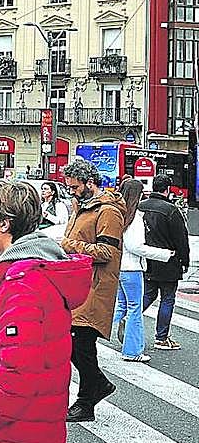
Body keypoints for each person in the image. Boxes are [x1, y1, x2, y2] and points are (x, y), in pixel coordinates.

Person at [0, 180, 92, 443]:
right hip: (26, 430)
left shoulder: (23, 283)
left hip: (11, 435)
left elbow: (19, 375)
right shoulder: (33, 270)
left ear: (5, 223)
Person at [60, 158, 125, 422]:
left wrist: (69, 245)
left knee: (80, 344)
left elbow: (107, 252)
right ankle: (89, 399)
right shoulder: (82, 206)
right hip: (79, 284)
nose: (71, 191)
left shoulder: (108, 211)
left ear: (90, 183)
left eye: (75, 187)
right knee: (80, 346)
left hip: (95, 286)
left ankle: (93, 391)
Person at [111, 179, 172, 363]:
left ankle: (87, 335)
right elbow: (136, 246)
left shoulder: (116, 213)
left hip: (118, 267)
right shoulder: (135, 217)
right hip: (132, 269)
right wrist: (164, 254)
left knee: (120, 306)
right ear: (136, 196)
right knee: (134, 309)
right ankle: (132, 351)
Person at [139, 174, 190, 350]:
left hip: (146, 259)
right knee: (167, 298)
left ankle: (131, 316)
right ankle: (161, 338)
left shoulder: (140, 207)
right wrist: (185, 260)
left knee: (148, 293)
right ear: (167, 190)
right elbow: (181, 239)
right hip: (169, 260)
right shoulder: (171, 210)